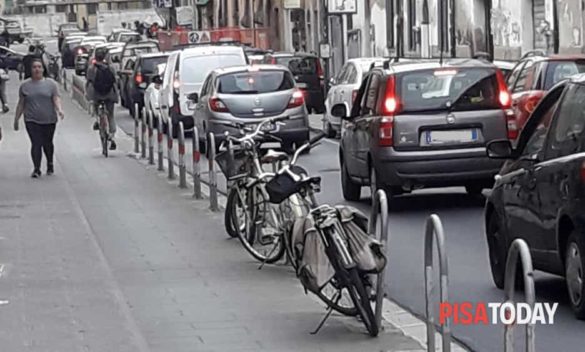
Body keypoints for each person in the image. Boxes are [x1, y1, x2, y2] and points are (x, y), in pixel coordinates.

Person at [13, 59, 64, 178]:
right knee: (36, 143)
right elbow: (21, 103)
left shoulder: (51, 84)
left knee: (47, 143)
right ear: (31, 70)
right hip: (31, 119)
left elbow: (56, 98)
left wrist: (59, 110)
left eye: (39, 67)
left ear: (43, 69)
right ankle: (36, 168)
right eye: (34, 67)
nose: (37, 69)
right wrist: (16, 119)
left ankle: (50, 163)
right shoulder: (25, 86)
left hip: (49, 119)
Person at [86, 48, 118, 150]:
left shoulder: (92, 68)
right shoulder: (110, 68)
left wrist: (88, 95)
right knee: (111, 115)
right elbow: (115, 81)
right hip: (109, 94)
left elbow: (89, 81)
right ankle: (111, 135)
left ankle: (97, 119)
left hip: (97, 95)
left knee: (95, 106)